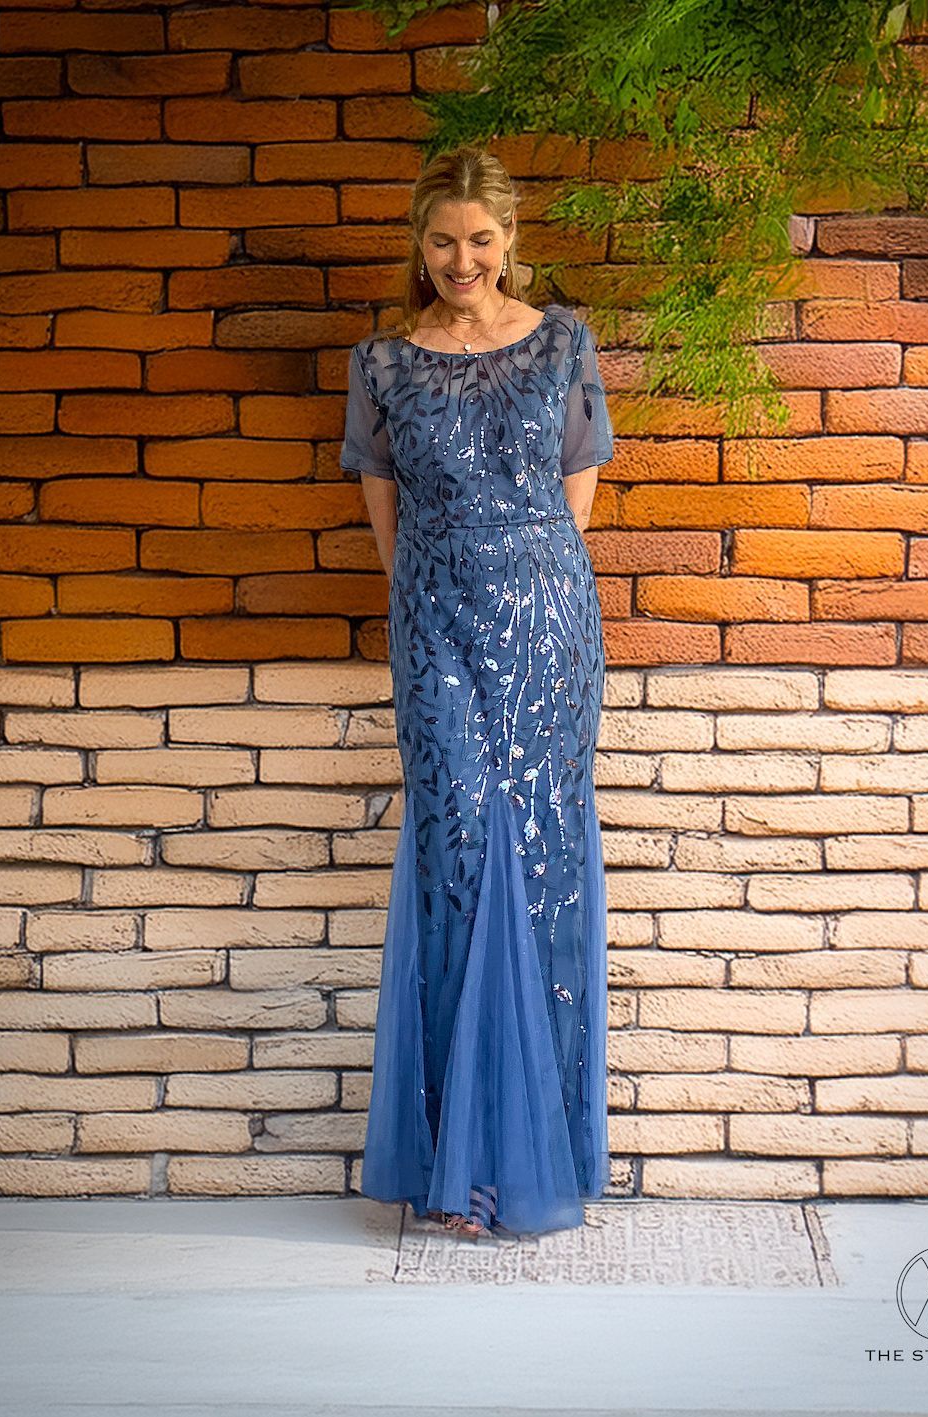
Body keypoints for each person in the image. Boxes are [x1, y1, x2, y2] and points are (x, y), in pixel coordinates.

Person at [339, 144, 615, 1241]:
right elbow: (384, 517)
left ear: (509, 240)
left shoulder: (561, 341)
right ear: (419, 243)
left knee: (542, 858)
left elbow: (572, 505)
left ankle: (537, 1150)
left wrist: (523, 596)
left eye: (482, 238)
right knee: (455, 854)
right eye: (444, 239)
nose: (463, 258)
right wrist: (435, 606)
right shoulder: (381, 363)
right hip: (434, 623)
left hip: (547, 624)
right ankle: (459, 1161)